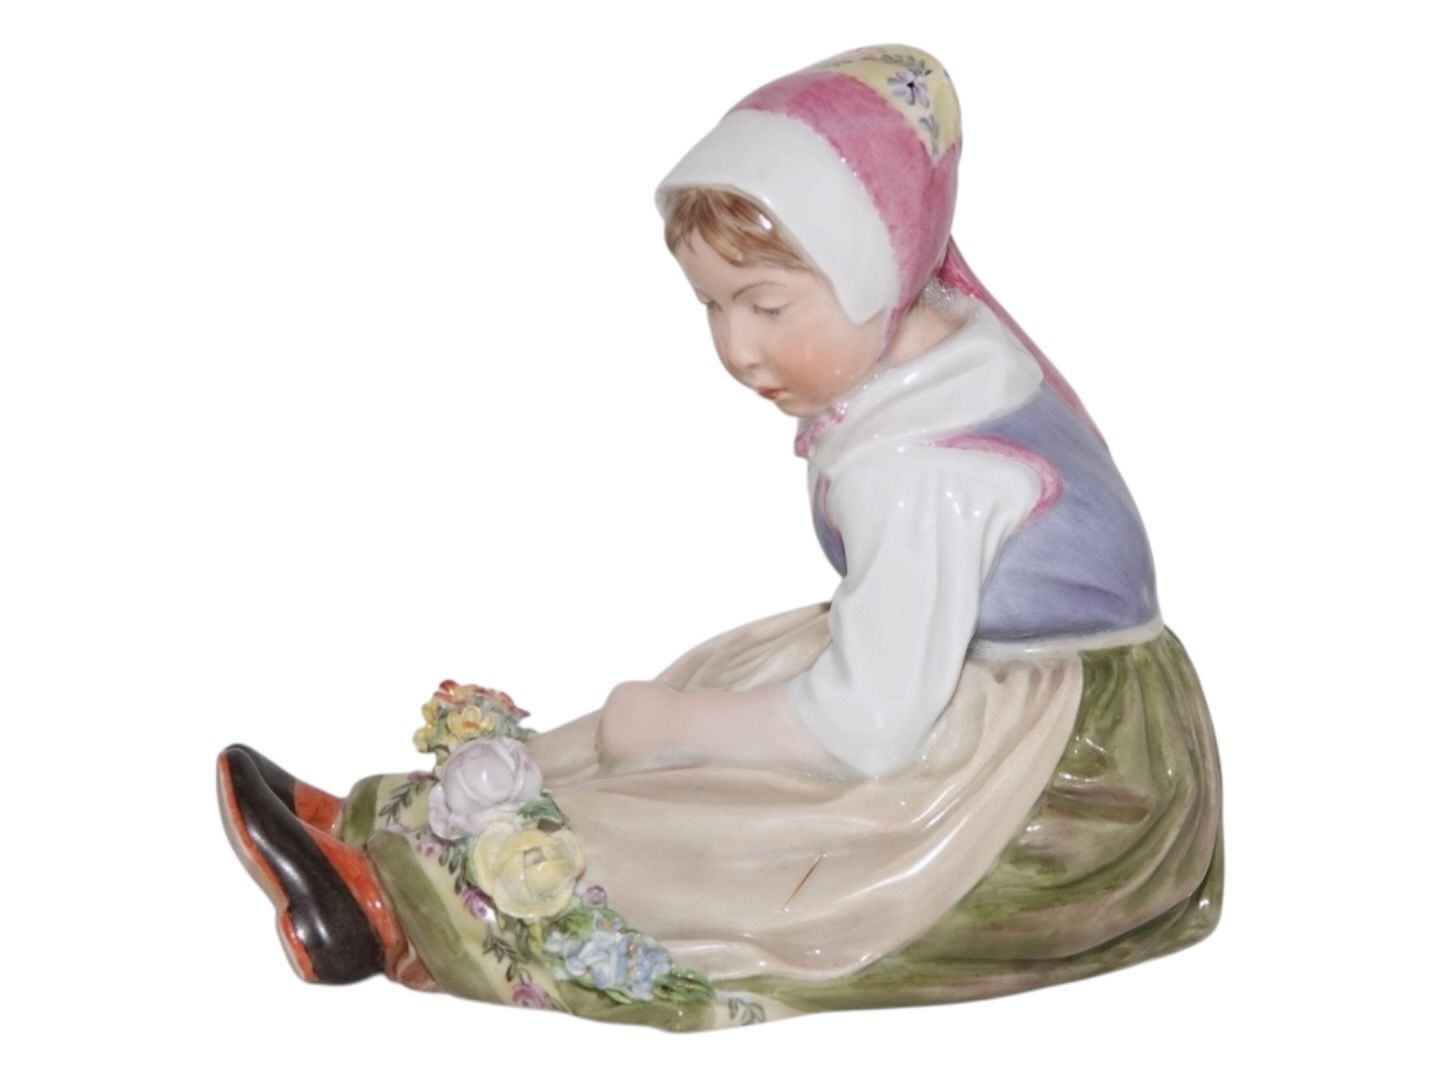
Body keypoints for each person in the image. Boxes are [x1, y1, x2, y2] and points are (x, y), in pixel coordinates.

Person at [217, 43, 1223, 1032]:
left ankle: (395, 910)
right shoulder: (937, 345)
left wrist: (668, 727)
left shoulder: (921, 473)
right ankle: (398, 819)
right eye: (713, 305)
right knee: (725, 681)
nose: (737, 348)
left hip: (1073, 768)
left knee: (747, 832)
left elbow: (870, 727)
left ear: (877, 273)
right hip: (994, 676)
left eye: (767, 305)